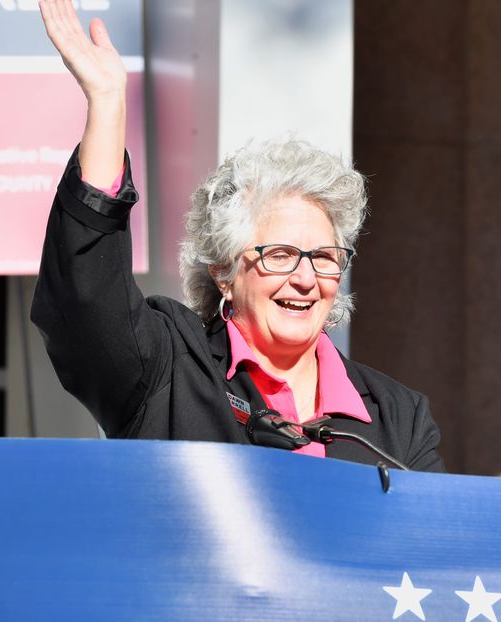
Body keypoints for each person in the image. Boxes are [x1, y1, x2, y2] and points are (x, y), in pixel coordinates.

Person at [31, 0, 444, 471]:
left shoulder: (398, 419)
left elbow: (430, 543)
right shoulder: (169, 369)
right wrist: (107, 102)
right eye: (281, 254)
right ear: (224, 271)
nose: (306, 278)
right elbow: (87, 300)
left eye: (324, 257)